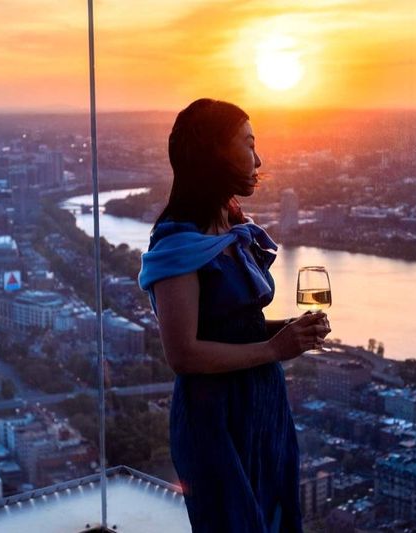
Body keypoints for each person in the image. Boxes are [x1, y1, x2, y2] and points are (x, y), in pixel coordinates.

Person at [138, 98, 331, 532]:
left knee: (275, 517)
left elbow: (231, 329)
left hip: (263, 407)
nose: (258, 159)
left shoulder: (230, 226)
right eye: (248, 144)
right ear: (214, 153)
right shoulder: (177, 242)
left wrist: (289, 332)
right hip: (215, 419)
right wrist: (274, 348)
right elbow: (184, 355)